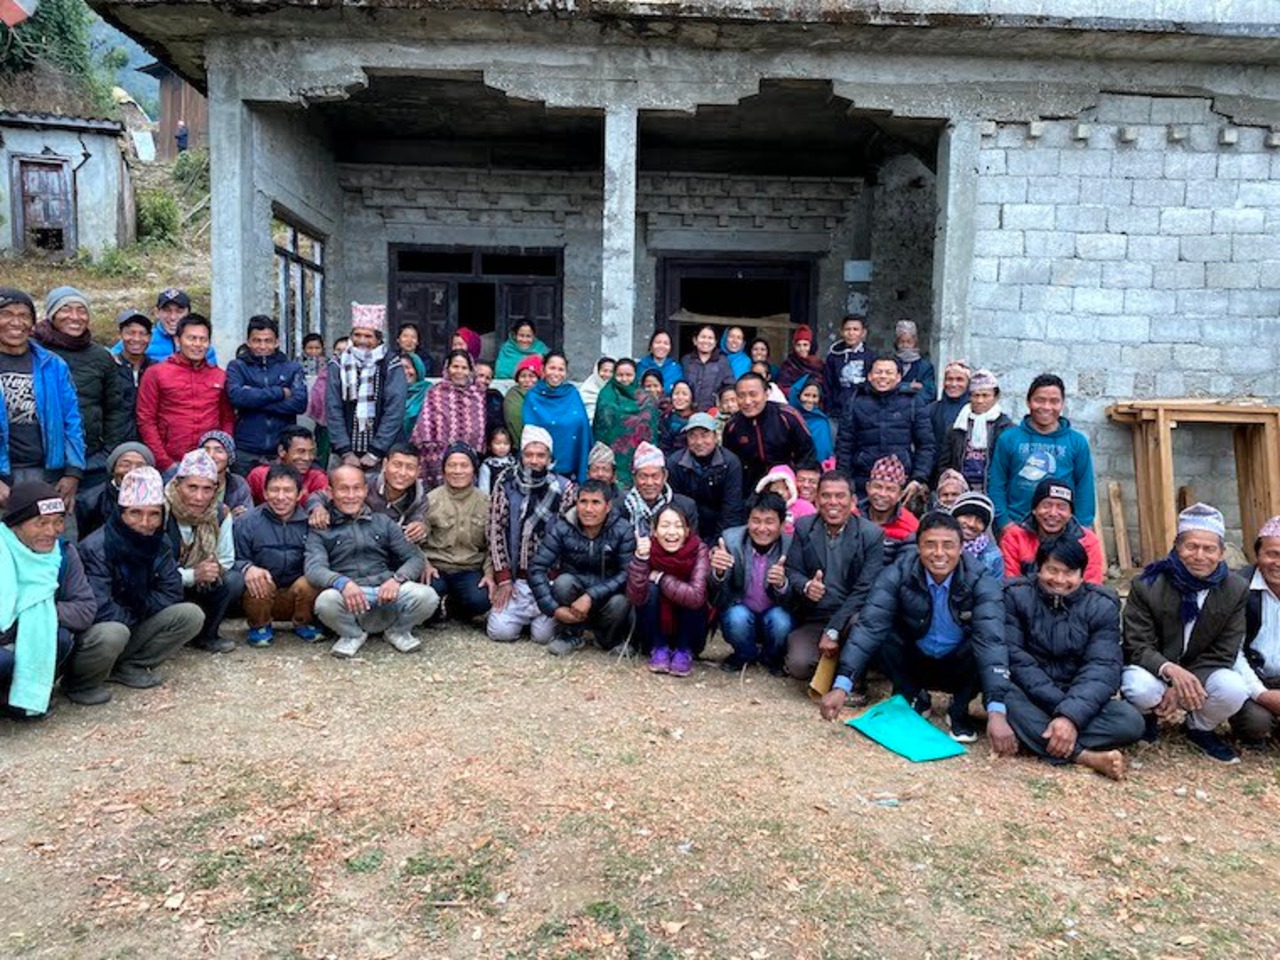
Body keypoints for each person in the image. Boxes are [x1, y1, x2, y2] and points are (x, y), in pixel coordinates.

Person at [818, 512, 1014, 749]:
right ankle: (913, 695)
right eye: (930, 544)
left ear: (962, 548)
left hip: (959, 664)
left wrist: (997, 711)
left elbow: (991, 642)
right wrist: (842, 686)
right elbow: (870, 627)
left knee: (985, 641)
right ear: (918, 547)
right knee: (880, 630)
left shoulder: (981, 581)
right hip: (915, 658)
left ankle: (960, 707)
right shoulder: (897, 572)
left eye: (948, 545)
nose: (939, 553)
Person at [1003, 538, 1146, 780]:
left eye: (1069, 573)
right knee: (1003, 695)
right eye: (1052, 570)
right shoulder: (1015, 595)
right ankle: (1084, 756)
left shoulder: (1101, 604)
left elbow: (1102, 667)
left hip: (1075, 692)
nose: (1059, 580)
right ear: (1039, 569)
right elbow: (1015, 658)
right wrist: (1064, 712)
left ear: (1082, 575)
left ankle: (1034, 733)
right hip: (1029, 693)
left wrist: (1070, 715)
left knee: (1130, 722)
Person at [1121, 503, 1250, 763]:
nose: (1199, 556)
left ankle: (1199, 727)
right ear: (1177, 547)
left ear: (1222, 553)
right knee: (1138, 686)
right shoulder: (1148, 583)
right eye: (1191, 546)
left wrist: (1181, 685)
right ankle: (1147, 717)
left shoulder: (1235, 589)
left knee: (1234, 689)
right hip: (1155, 669)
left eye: (1209, 549)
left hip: (1200, 671)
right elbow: (1137, 644)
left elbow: (1224, 651)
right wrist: (1170, 671)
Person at [69, 466, 204, 696]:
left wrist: (139, 610)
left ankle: (129, 665)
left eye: (154, 514)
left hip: (135, 617)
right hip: (101, 629)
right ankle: (82, 683)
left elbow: (172, 591)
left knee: (190, 615)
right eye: (135, 513)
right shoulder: (96, 548)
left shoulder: (159, 542)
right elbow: (98, 606)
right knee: (113, 633)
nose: (145, 522)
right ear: (120, 513)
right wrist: (135, 616)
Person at [307, 465, 437, 658]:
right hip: (350, 595)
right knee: (326, 602)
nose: (351, 495)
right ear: (330, 492)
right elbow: (314, 568)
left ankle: (398, 631)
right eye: (344, 489)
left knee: (427, 596)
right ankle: (352, 635)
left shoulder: (382, 522)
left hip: (386, 591)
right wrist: (342, 583)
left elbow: (414, 557)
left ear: (365, 490)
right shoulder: (321, 528)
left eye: (357, 488)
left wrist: (397, 579)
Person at [0, 483, 93, 716]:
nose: (52, 531)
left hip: (28, 639)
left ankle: (19, 701)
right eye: (41, 523)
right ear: (15, 524)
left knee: (59, 637)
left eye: (58, 522)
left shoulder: (63, 554)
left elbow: (85, 610)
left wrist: (37, 610)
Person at [783, 471, 884, 682]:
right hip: (815, 616)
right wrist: (806, 586)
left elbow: (865, 589)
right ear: (816, 499)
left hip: (851, 616)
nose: (833, 502)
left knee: (860, 623)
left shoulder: (871, 534)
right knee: (799, 666)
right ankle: (839, 662)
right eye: (826, 495)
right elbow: (792, 570)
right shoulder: (804, 526)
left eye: (840, 496)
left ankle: (853, 674)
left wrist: (833, 629)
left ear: (853, 500)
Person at [485, 426, 577, 644]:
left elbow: (569, 538)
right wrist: (503, 579)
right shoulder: (506, 483)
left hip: (548, 579)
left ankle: (537, 617)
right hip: (516, 578)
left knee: (543, 636)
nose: (534, 461)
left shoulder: (564, 488)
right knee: (500, 632)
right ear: (521, 456)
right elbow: (495, 530)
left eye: (540, 455)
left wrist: (554, 582)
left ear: (549, 458)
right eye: (529, 455)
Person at [34, 287, 128, 494]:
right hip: (38, 461)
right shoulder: (32, 351)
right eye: (66, 309)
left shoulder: (101, 356)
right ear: (52, 314)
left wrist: (108, 452)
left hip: (90, 457)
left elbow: (115, 408)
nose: (75, 317)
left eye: (81, 310)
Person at [0, 287, 85, 514]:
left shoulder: (52, 364)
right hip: (3, 477)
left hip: (49, 475)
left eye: (24, 316)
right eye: (6, 314)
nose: (16, 322)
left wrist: (73, 471)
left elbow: (72, 420)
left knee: (54, 533)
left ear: (33, 323)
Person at [529, 479, 635, 657]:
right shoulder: (563, 527)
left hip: (606, 596)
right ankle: (571, 634)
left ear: (608, 506)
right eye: (583, 502)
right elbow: (536, 568)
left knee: (621, 601)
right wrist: (553, 608)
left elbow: (627, 573)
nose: (588, 509)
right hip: (574, 595)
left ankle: (608, 639)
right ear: (576, 503)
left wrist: (591, 596)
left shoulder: (623, 529)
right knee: (563, 583)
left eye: (595, 503)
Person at [988, 373, 1097, 532]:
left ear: (1062, 404)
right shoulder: (1009, 439)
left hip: (1061, 529)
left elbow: (1084, 487)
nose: (1046, 407)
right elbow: (997, 483)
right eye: (1040, 400)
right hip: (1016, 526)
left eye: (1054, 401)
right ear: (1028, 402)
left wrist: (1082, 526)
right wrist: (1004, 523)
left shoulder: (1076, 442)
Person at [163, 449, 244, 654]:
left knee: (231, 581)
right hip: (165, 582)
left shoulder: (220, 513)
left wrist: (211, 570)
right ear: (178, 485)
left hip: (200, 581)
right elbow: (154, 568)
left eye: (207, 489)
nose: (199, 497)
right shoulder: (160, 511)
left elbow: (226, 558)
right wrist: (192, 575)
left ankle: (207, 635)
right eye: (192, 487)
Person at [234, 463, 321, 647]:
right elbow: (234, 558)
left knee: (311, 581)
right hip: (263, 593)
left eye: (288, 490)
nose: (281, 497)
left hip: (297, 593)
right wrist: (248, 568)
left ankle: (303, 622)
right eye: (274, 490)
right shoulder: (247, 522)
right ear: (265, 493)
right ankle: (260, 625)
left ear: (299, 494)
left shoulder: (310, 523)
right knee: (258, 579)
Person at [135, 313, 234, 472]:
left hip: (209, 462)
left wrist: (223, 453)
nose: (198, 344)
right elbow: (146, 420)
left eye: (203, 339)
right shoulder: (156, 373)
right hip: (170, 462)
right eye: (192, 338)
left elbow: (227, 418)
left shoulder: (219, 375)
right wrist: (164, 462)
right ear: (178, 340)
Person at [713, 492, 793, 674]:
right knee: (736, 617)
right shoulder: (731, 541)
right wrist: (719, 572)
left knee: (782, 621)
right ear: (747, 521)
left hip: (773, 614)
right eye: (756, 521)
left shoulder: (791, 546)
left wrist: (782, 584)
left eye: (769, 522)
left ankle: (771, 657)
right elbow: (717, 594)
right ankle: (744, 654)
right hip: (742, 610)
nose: (762, 528)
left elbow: (795, 598)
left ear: (782, 524)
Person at [627, 503, 710, 677]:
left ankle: (683, 650)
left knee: (689, 592)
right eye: (665, 526)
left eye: (678, 526)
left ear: (687, 531)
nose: (672, 532)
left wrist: (662, 578)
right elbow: (635, 597)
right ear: (654, 531)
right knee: (650, 589)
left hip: (690, 627)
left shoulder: (699, 549)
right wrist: (641, 559)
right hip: (653, 630)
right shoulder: (647, 548)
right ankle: (659, 647)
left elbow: (696, 597)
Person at [835, 356, 935, 497]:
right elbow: (844, 446)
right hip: (862, 480)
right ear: (869, 376)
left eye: (889, 373)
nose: (883, 376)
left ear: (898, 377)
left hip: (902, 482)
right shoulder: (855, 402)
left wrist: (918, 478)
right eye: (878, 372)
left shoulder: (913, 402)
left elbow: (926, 445)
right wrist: (845, 482)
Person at [326, 306, 407, 470]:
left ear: (378, 339)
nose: (362, 340)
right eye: (357, 335)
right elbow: (333, 408)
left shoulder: (391, 363)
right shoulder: (339, 363)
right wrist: (345, 451)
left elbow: (395, 409)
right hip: (343, 454)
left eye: (368, 336)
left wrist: (375, 451)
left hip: (382, 454)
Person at [421, 444, 493, 623]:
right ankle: (434, 612)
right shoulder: (430, 500)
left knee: (481, 600)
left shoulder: (487, 503)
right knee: (426, 599)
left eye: (464, 465)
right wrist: (425, 565)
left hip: (469, 568)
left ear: (474, 470)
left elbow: (493, 546)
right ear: (444, 470)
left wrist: (489, 574)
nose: (458, 471)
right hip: (436, 567)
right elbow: (415, 542)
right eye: (452, 465)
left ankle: (456, 605)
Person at [225, 315, 307, 472]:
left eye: (268, 341)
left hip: (281, 450)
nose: (262, 346)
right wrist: (279, 392)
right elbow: (236, 396)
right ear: (248, 342)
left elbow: (299, 403)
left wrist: (252, 399)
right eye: (257, 340)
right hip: (245, 451)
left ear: (277, 342)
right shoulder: (237, 366)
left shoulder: (292, 368)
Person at [1229, 517, 1280, 747]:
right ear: (1257, 555)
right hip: (1253, 676)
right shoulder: (1237, 587)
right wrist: (1261, 694)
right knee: (1256, 723)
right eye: (1272, 554)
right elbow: (1232, 650)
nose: (1277, 563)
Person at [722, 372, 816, 492]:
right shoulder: (733, 426)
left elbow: (808, 455)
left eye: (753, 394)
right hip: (751, 489)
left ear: (766, 394)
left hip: (788, 485)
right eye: (741, 396)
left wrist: (789, 479)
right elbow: (731, 465)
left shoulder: (787, 416)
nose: (747, 401)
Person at [1000, 479, 1104, 584]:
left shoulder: (1087, 541)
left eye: (1062, 508)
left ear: (1070, 514)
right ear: (1034, 510)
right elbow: (1011, 583)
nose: (1053, 513)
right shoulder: (1015, 537)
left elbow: (1091, 584)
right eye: (1046, 506)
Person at [410, 349, 487, 489]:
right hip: (436, 456)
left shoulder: (477, 395)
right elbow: (425, 424)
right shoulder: (436, 392)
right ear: (447, 368)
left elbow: (478, 429)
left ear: (470, 370)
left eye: (464, 367)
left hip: (468, 457)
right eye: (455, 366)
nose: (459, 371)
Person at [666, 412, 746, 544]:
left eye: (704, 435)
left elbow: (732, 508)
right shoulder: (675, 464)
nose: (699, 442)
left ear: (715, 436)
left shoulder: (730, 463)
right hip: (688, 530)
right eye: (693, 436)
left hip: (720, 527)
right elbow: (676, 508)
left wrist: (721, 543)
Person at [937, 369, 1012, 494]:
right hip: (960, 490)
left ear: (995, 397)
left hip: (993, 489)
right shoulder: (957, 427)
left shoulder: (1005, 427)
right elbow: (944, 463)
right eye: (975, 395)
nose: (980, 401)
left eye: (985, 396)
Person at [522, 352, 592, 483]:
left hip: (570, 464)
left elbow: (582, 427)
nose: (556, 373)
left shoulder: (572, 394)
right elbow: (530, 430)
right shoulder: (533, 396)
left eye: (561, 369)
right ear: (543, 369)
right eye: (552, 368)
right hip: (539, 467)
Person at [593, 357, 658, 488]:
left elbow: (651, 430)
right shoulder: (606, 395)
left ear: (635, 376)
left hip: (638, 453)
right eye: (620, 375)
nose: (624, 379)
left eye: (629, 375)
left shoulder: (646, 400)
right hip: (612, 453)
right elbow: (601, 428)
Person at [111, 288, 219, 365]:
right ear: (157, 312)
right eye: (167, 310)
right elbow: (110, 355)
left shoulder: (201, 344)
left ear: (188, 313)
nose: (173, 317)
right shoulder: (144, 338)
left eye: (179, 311)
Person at [76, 441, 154, 538]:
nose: (132, 472)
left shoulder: (158, 501)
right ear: (113, 469)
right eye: (125, 465)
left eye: (140, 466)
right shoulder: (90, 501)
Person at [623, 442, 697, 537]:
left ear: (665, 476)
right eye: (643, 476)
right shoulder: (621, 506)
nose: (649, 483)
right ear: (634, 478)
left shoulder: (686, 506)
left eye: (655, 476)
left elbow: (692, 542)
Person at [246, 425, 330, 510]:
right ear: (282, 451)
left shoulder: (317, 478)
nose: (307, 458)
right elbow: (248, 507)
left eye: (311, 452)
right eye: (301, 451)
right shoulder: (259, 475)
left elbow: (322, 503)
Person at [860, 455, 920, 564]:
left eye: (890, 489)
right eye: (878, 487)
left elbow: (905, 565)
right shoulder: (852, 516)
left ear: (900, 495)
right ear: (868, 487)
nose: (882, 494)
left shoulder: (911, 526)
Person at [365, 443, 429, 543]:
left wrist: (418, 529)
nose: (402, 473)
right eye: (397, 465)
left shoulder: (418, 497)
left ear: (418, 472)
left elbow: (417, 520)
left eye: (410, 467)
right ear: (385, 464)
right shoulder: (364, 485)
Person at [112, 308, 155, 441]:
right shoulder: (109, 367)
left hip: (149, 443)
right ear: (120, 335)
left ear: (149, 337)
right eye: (130, 333)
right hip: (115, 443)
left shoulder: (157, 370)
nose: (136, 339)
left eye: (142, 334)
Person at [824, 314, 875, 419]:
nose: (851, 333)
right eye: (847, 329)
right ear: (841, 332)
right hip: (837, 412)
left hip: (863, 412)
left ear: (863, 333)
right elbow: (828, 385)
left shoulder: (871, 357)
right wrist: (829, 409)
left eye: (855, 329)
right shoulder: (833, 357)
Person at [191, 429, 253, 516]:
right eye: (206, 450)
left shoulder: (238, 484)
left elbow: (246, 517)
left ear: (229, 457)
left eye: (219, 451)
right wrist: (226, 516)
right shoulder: (188, 482)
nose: (211, 455)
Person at [950, 491, 1004, 580]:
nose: (972, 524)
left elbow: (996, 586)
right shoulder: (938, 544)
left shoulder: (993, 555)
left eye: (979, 521)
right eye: (967, 516)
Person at [681, 325, 736, 412]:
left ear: (715, 342)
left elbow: (729, 385)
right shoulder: (686, 360)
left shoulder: (723, 361)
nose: (706, 341)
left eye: (710, 338)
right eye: (703, 337)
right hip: (687, 410)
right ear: (695, 340)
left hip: (713, 412)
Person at [754, 464, 816, 534]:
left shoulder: (804, 507)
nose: (780, 492)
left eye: (786, 488)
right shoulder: (762, 506)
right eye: (776, 488)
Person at [928, 360, 971, 453]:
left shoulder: (975, 412)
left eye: (959, 379)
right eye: (949, 379)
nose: (953, 384)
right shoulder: (931, 410)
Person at [788, 377, 833, 465]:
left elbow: (824, 453)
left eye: (814, 396)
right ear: (797, 396)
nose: (810, 400)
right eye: (806, 395)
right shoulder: (788, 418)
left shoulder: (821, 422)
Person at [893, 320, 936, 400]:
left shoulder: (925, 367)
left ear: (915, 342)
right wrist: (909, 386)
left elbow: (929, 392)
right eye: (901, 342)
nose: (905, 345)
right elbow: (887, 386)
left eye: (909, 342)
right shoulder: (891, 364)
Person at [776, 325, 824, 397]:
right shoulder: (788, 365)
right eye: (798, 345)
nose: (802, 348)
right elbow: (782, 387)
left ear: (810, 346)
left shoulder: (819, 365)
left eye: (805, 345)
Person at [504, 354, 541, 445]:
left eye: (532, 376)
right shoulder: (513, 395)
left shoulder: (543, 395)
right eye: (523, 376)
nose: (527, 380)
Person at [636, 330, 682, 394]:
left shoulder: (676, 369)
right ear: (651, 346)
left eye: (666, 343)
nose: (661, 346)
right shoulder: (641, 366)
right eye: (658, 342)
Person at [657, 381, 695, 455]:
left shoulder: (696, 420)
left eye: (685, 394)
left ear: (692, 398)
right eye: (676, 393)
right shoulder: (664, 418)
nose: (680, 398)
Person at [478, 426, 517, 495]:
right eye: (498, 443)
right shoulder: (487, 466)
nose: (502, 447)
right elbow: (484, 489)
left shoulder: (514, 462)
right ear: (489, 446)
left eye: (506, 443)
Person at [474, 361, 506, 437]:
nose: (484, 380)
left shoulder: (495, 396)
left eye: (488, 378)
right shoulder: (464, 396)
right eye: (480, 376)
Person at [579, 357, 614, 422]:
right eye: (604, 371)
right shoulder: (587, 390)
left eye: (611, 372)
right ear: (597, 371)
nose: (608, 375)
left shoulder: (619, 390)